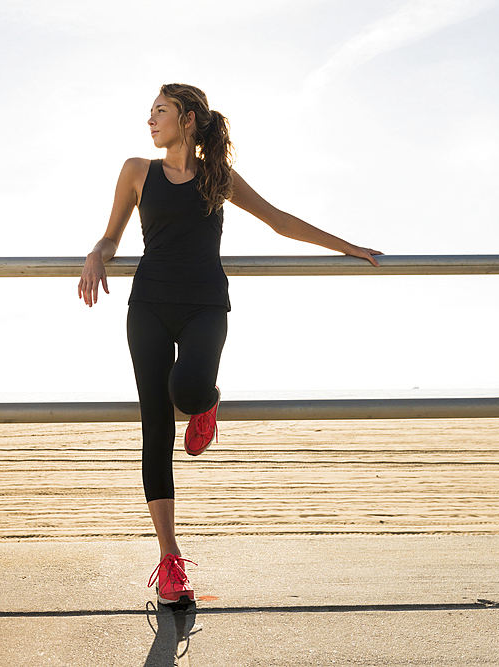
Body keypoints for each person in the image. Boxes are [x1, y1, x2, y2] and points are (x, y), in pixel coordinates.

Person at [78, 83, 382, 606]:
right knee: (156, 423)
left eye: (161, 112)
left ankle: (207, 405)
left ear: (189, 119)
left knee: (190, 390)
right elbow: (112, 237)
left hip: (204, 306)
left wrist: (347, 246)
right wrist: (96, 253)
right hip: (148, 306)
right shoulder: (136, 171)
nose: (150, 121)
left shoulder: (217, 178)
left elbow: (278, 220)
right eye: (150, 113)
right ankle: (170, 560)